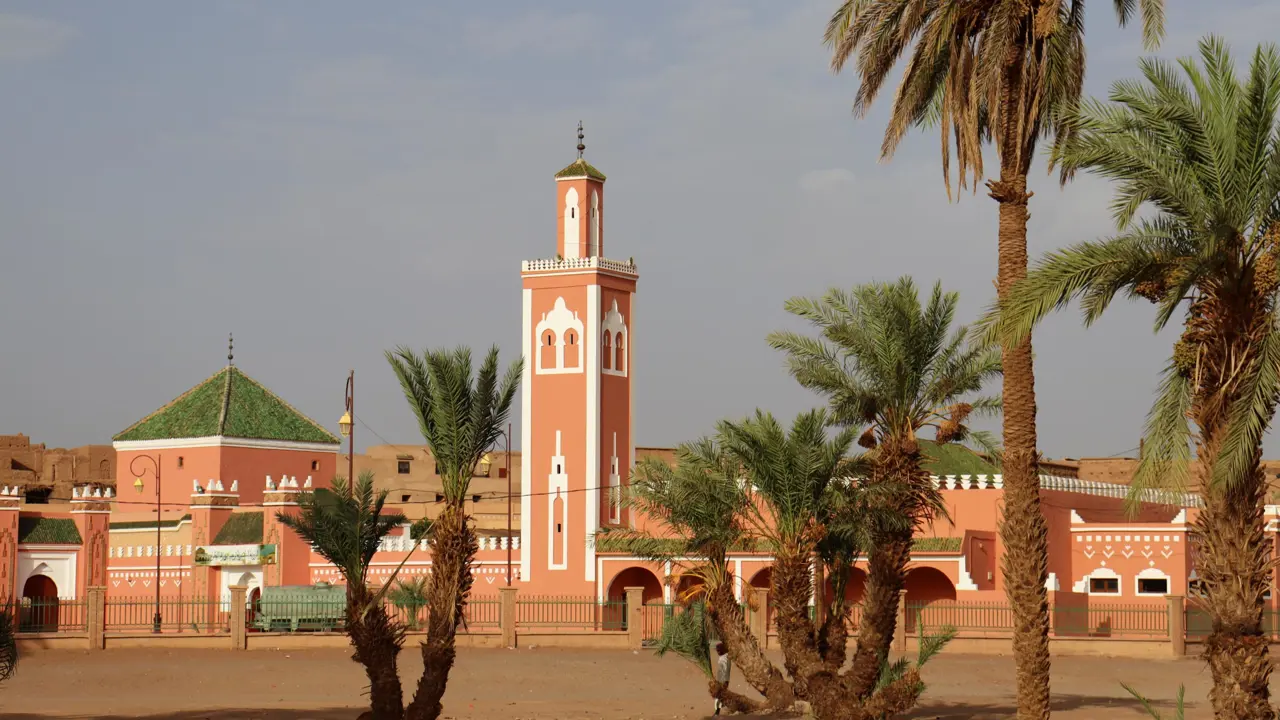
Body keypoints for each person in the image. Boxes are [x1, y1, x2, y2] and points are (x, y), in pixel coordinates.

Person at [713, 641, 731, 715]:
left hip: (722, 681)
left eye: (719, 650)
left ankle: (717, 712)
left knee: (719, 697)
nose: (718, 652)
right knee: (721, 697)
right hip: (724, 680)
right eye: (717, 650)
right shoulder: (726, 656)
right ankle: (718, 711)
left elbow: (724, 670)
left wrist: (721, 682)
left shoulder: (723, 658)